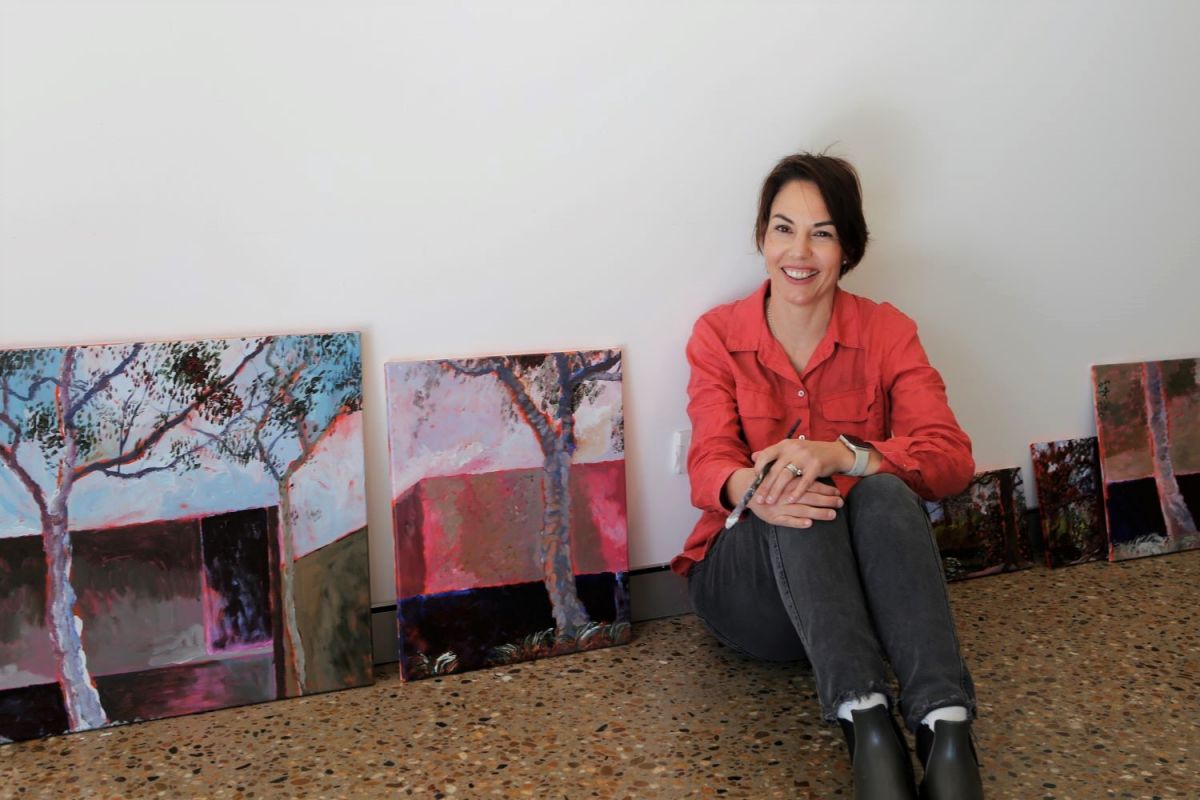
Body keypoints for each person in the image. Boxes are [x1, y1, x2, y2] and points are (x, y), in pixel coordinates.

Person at [670, 153, 984, 800]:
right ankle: (866, 720)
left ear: (848, 247)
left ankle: (944, 730)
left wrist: (845, 453)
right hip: (748, 592)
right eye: (784, 228)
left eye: (823, 232)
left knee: (885, 489)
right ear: (762, 237)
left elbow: (950, 459)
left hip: (854, 598)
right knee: (792, 491)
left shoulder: (887, 331)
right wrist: (757, 487)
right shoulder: (717, 335)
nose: (800, 251)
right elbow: (709, 467)